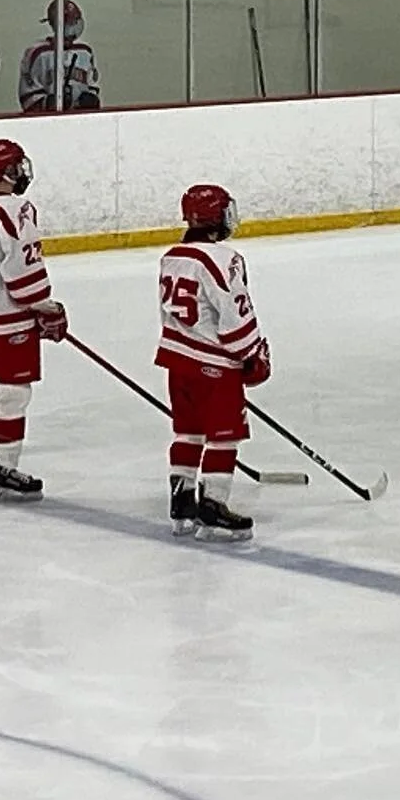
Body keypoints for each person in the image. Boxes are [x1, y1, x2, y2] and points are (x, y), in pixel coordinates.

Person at [154, 184, 268, 542]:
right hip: (214, 366)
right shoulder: (225, 259)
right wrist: (252, 353)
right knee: (224, 436)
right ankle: (213, 506)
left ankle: (182, 503)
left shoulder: (172, 256)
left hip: (178, 362)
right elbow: (234, 314)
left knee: (188, 432)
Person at [0, 139, 67, 500]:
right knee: (14, 394)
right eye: (17, 166)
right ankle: (4, 465)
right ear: (8, 171)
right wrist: (46, 307)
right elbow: (21, 267)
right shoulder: (17, 209)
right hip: (8, 319)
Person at [19, 0, 100, 112]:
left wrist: (90, 98)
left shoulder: (85, 52)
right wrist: (48, 102)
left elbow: (91, 84)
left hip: (80, 117)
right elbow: (28, 94)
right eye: (68, 25)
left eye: (74, 23)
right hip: (48, 119)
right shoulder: (38, 53)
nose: (71, 30)